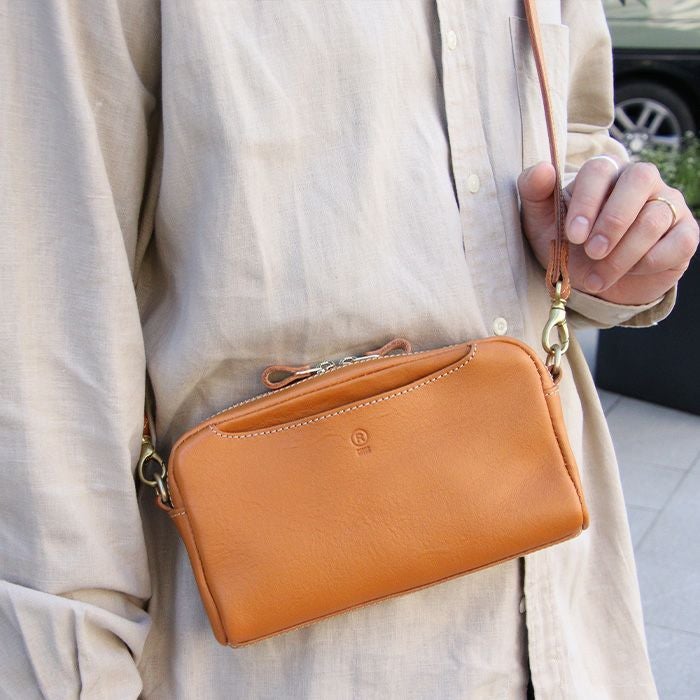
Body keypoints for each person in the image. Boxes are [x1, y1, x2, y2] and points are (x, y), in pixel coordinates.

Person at [1, 1, 697, 698]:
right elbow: (51, 332)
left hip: (569, 622)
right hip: (290, 667)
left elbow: (574, 138)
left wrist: (607, 238)